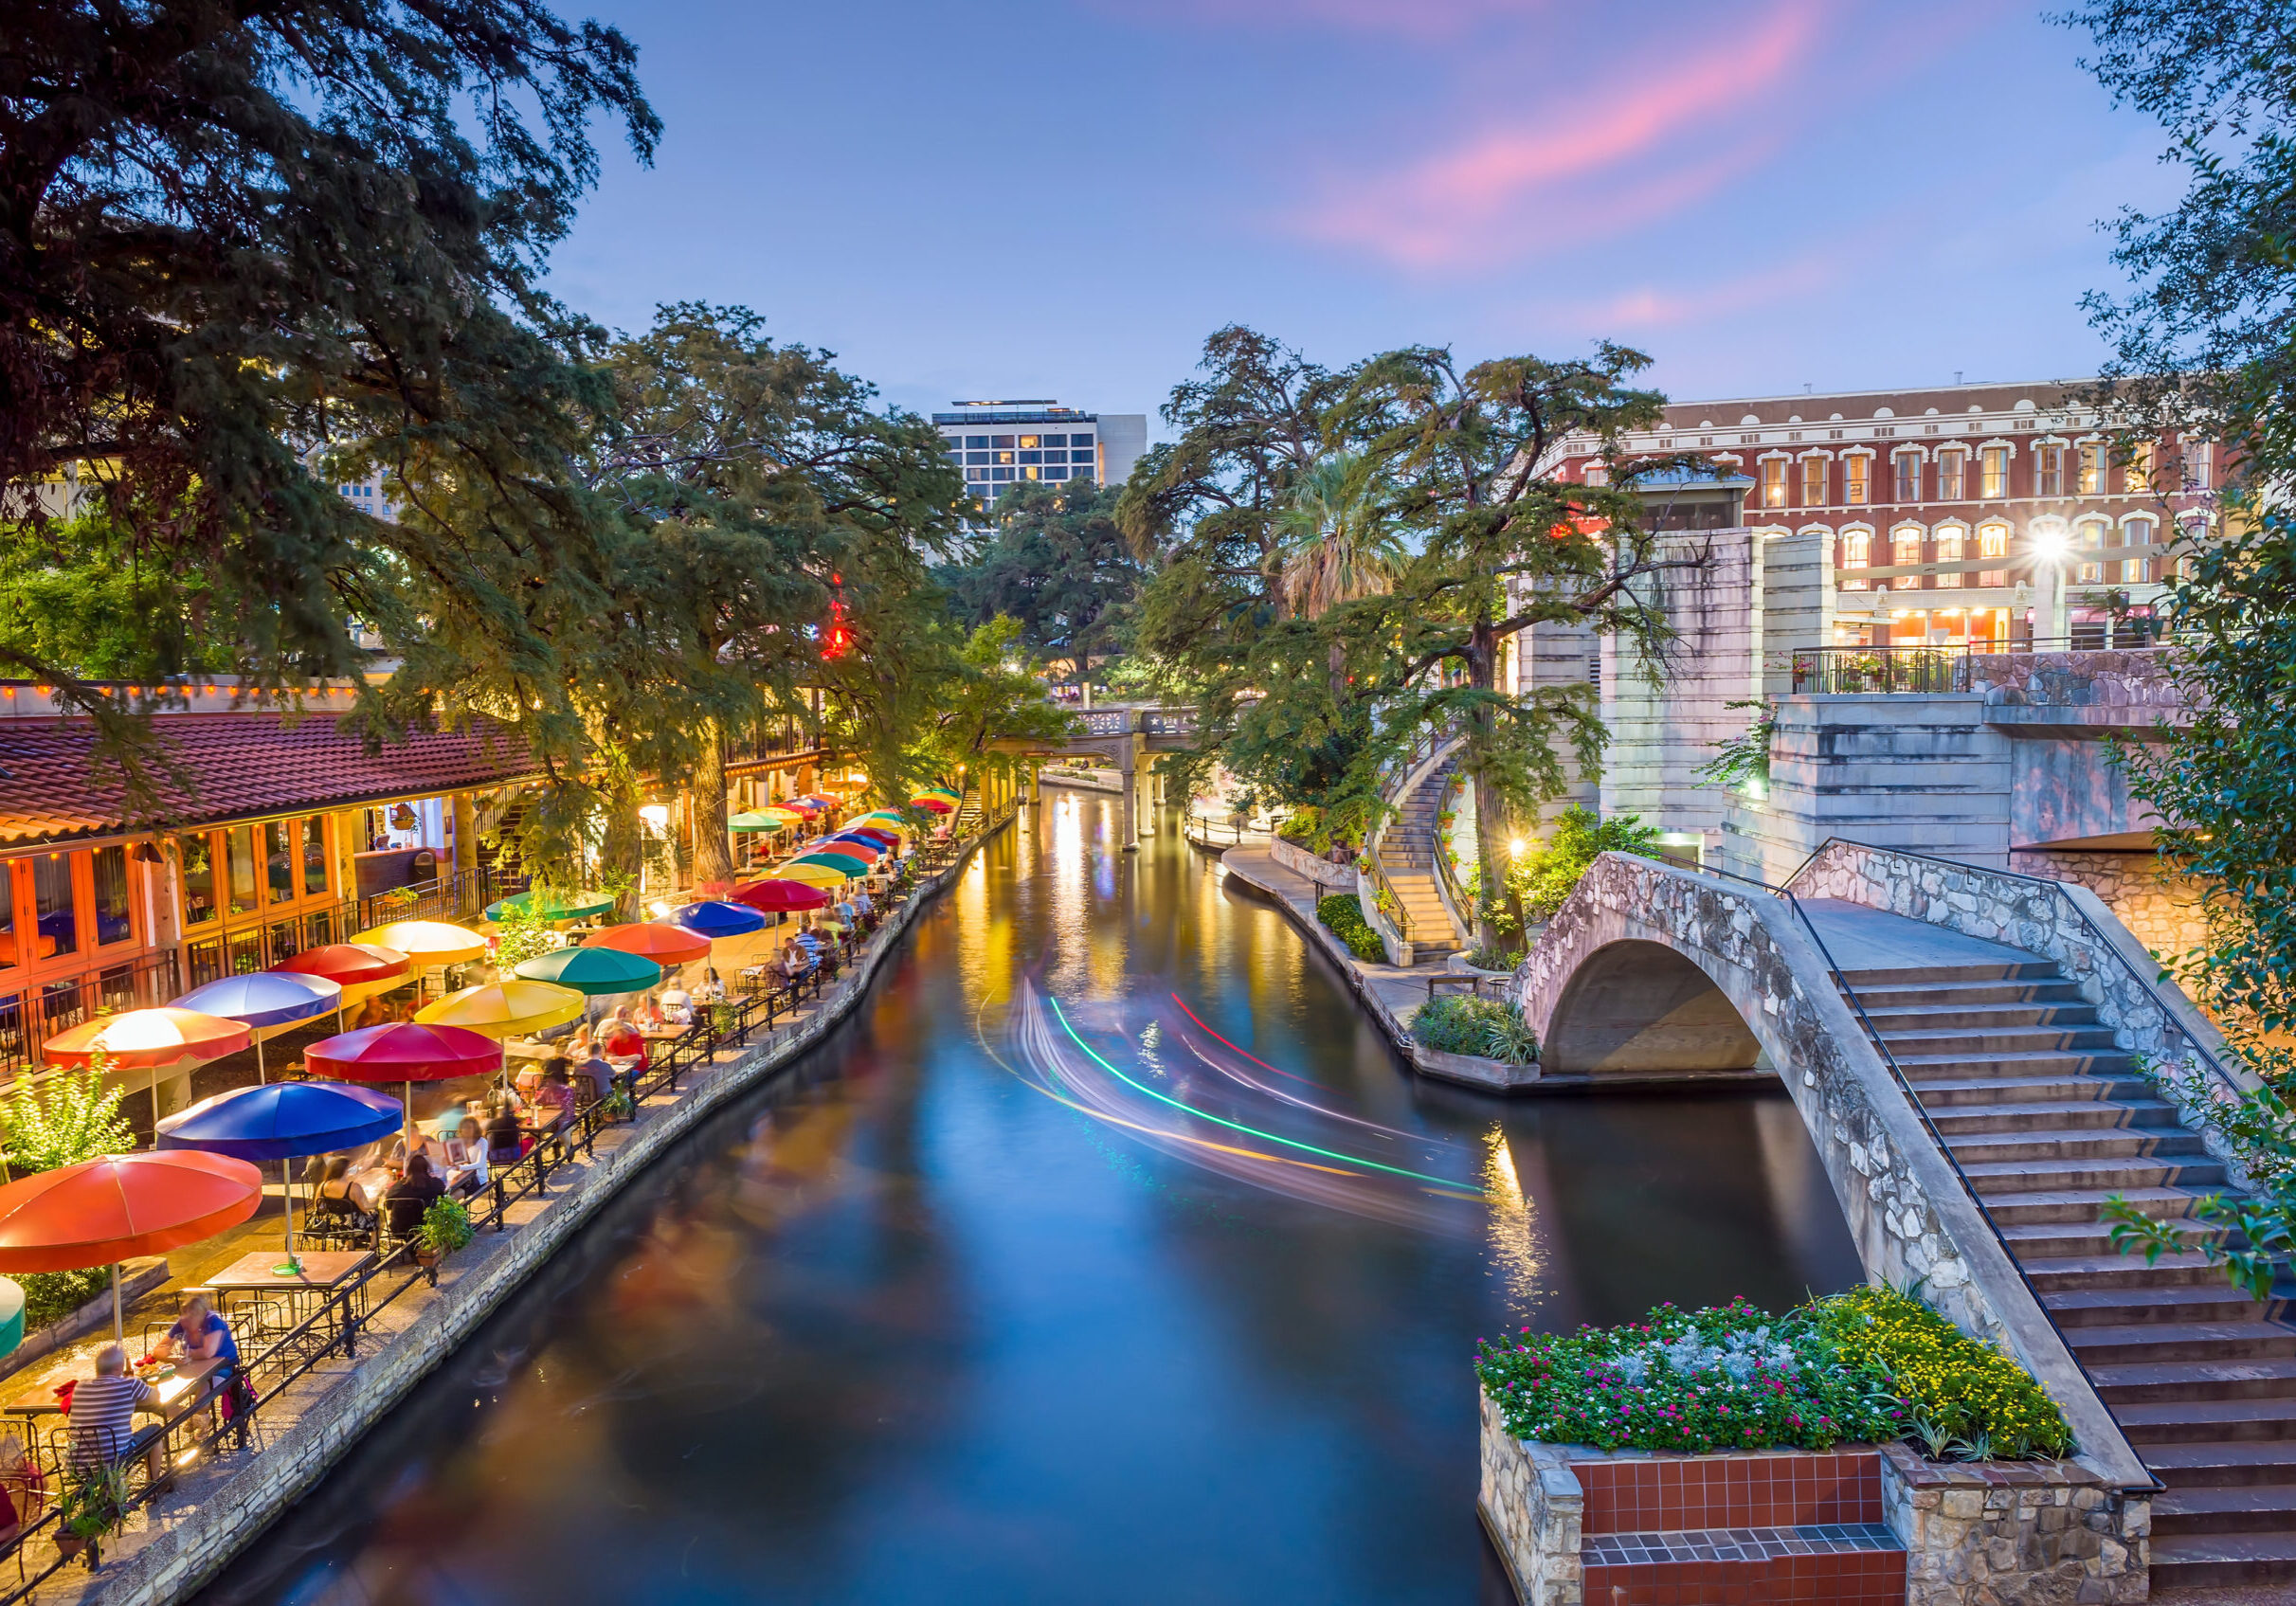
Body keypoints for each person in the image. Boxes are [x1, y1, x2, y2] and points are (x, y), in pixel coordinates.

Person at [65, 1345, 161, 1476]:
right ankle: (153, 1486)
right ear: (118, 1368)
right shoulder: (130, 1384)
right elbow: (154, 1398)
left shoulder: (80, 1387)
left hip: (77, 1464)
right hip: (114, 1460)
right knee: (156, 1431)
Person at [384, 1152, 446, 1243]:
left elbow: (388, 1205)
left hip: (399, 1228)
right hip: (426, 1225)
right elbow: (442, 1196)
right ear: (426, 1168)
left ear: (408, 1169)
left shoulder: (398, 1186)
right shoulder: (435, 1184)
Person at [440, 1114, 489, 1199]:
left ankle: (457, 1211)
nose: (467, 1130)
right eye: (464, 1127)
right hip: (460, 1177)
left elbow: (480, 1164)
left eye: (470, 1127)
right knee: (443, 1194)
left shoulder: (482, 1142)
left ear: (475, 1129)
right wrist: (447, 1162)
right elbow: (454, 1163)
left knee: (451, 1198)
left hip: (476, 1179)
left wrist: (460, 1167)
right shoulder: (458, 1143)